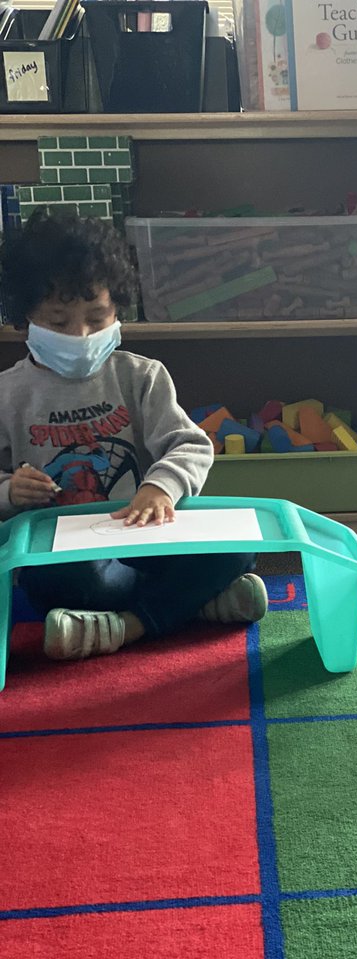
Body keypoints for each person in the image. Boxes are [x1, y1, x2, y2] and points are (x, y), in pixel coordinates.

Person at [0, 209, 268, 661]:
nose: (81, 335)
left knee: (240, 550)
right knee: (55, 582)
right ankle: (188, 606)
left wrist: (158, 486)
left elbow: (190, 444)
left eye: (97, 317)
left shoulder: (141, 376)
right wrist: (8, 491)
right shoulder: (9, 393)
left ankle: (125, 626)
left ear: (118, 308)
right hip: (73, 557)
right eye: (59, 322)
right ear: (25, 317)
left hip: (148, 538)